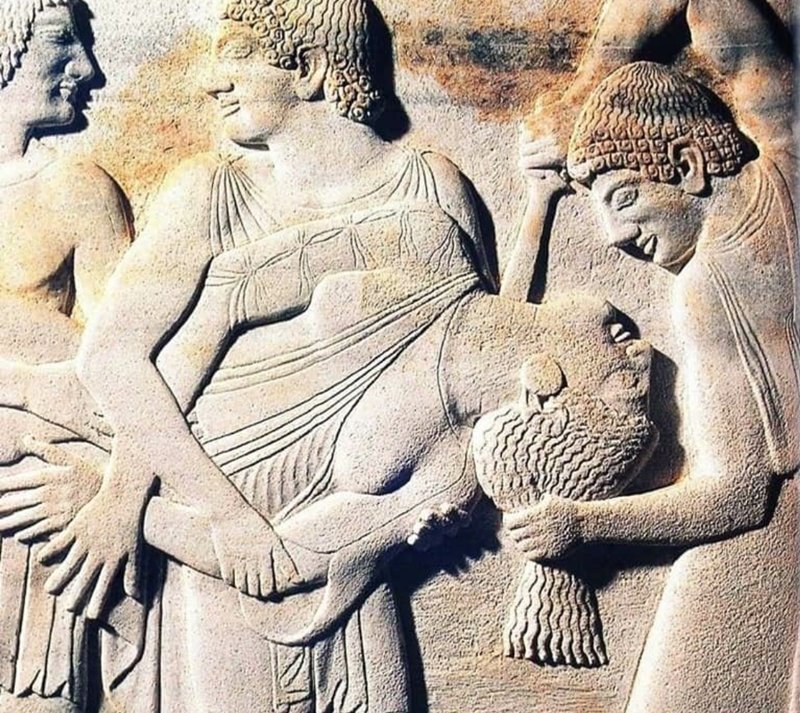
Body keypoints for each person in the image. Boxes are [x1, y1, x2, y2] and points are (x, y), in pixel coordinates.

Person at [28, 0, 497, 710]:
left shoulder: (429, 185)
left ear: (308, 68)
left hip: (357, 545)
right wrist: (223, 516)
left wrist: (424, 498)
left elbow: (478, 364)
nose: (213, 80)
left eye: (239, 53)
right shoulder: (211, 191)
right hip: (217, 546)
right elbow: (113, 358)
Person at [511, 55, 798, 713]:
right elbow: (735, 35)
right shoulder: (785, 162)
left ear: (690, 165)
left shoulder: (709, 290)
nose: (614, 236)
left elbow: (737, 497)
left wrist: (581, 522)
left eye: (624, 198)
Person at [0, 1, 132, 711]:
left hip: (30, 514)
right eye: (63, 40)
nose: (89, 69)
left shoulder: (78, 189)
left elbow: (131, 373)